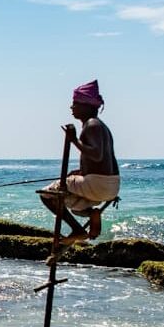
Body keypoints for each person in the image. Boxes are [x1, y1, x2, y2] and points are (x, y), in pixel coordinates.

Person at [38, 79, 119, 252]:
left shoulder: (91, 124)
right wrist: (83, 172)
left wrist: (73, 140)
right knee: (74, 205)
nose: (71, 107)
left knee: (47, 195)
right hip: (109, 185)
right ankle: (92, 213)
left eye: (75, 103)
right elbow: (105, 160)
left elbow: (96, 154)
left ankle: (78, 230)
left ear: (86, 106)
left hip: (97, 184)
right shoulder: (101, 127)